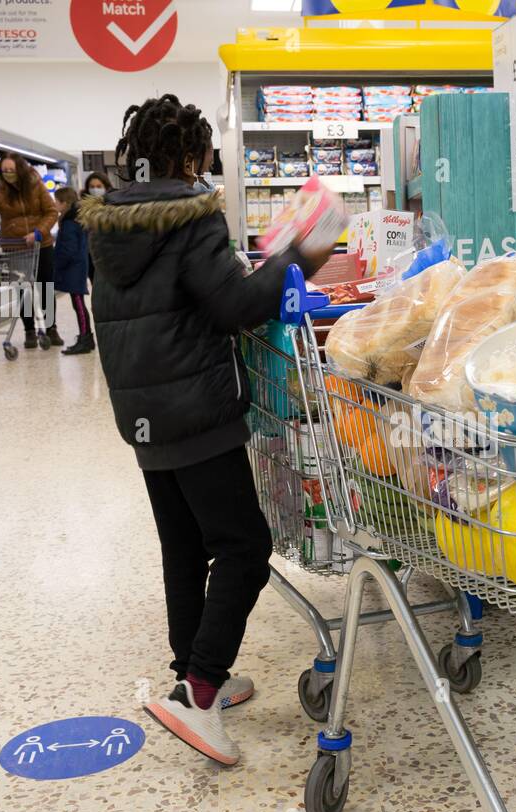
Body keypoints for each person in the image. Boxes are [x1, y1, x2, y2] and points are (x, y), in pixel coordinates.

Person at [79, 94, 332, 766]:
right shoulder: (192, 219)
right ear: (189, 157)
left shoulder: (110, 225)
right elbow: (234, 307)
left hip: (144, 414)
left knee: (184, 545)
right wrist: (296, 257)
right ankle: (198, 693)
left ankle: (191, 675)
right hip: (196, 408)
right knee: (245, 546)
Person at [0, 153, 61, 349]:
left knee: (45, 287)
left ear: (20, 170)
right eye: (4, 171)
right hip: (14, 245)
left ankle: (51, 328)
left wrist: (38, 232)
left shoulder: (35, 183)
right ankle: (29, 331)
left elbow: (52, 212)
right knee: (22, 290)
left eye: (12, 171)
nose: (8, 175)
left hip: (41, 245)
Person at [51, 186, 93, 355]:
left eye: (57, 202)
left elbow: (68, 249)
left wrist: (57, 264)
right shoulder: (77, 218)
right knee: (79, 304)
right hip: (78, 266)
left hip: (73, 268)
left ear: (65, 203)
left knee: (79, 305)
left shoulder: (69, 222)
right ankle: (86, 338)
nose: (55, 205)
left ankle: (85, 339)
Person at [82, 172, 112, 284]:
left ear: (106, 187)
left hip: (109, 254)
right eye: (92, 187)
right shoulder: (81, 208)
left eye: (99, 186)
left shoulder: (114, 205)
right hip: (90, 255)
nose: (95, 190)